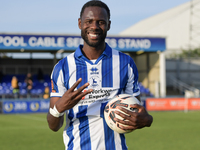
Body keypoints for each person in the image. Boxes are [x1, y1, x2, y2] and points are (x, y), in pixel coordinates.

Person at [47, 1, 153, 150]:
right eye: (89, 21)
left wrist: (147, 120)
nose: (94, 27)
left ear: (108, 25)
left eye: (101, 22)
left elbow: (137, 111)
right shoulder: (63, 68)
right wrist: (59, 108)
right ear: (80, 23)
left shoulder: (125, 62)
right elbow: (53, 126)